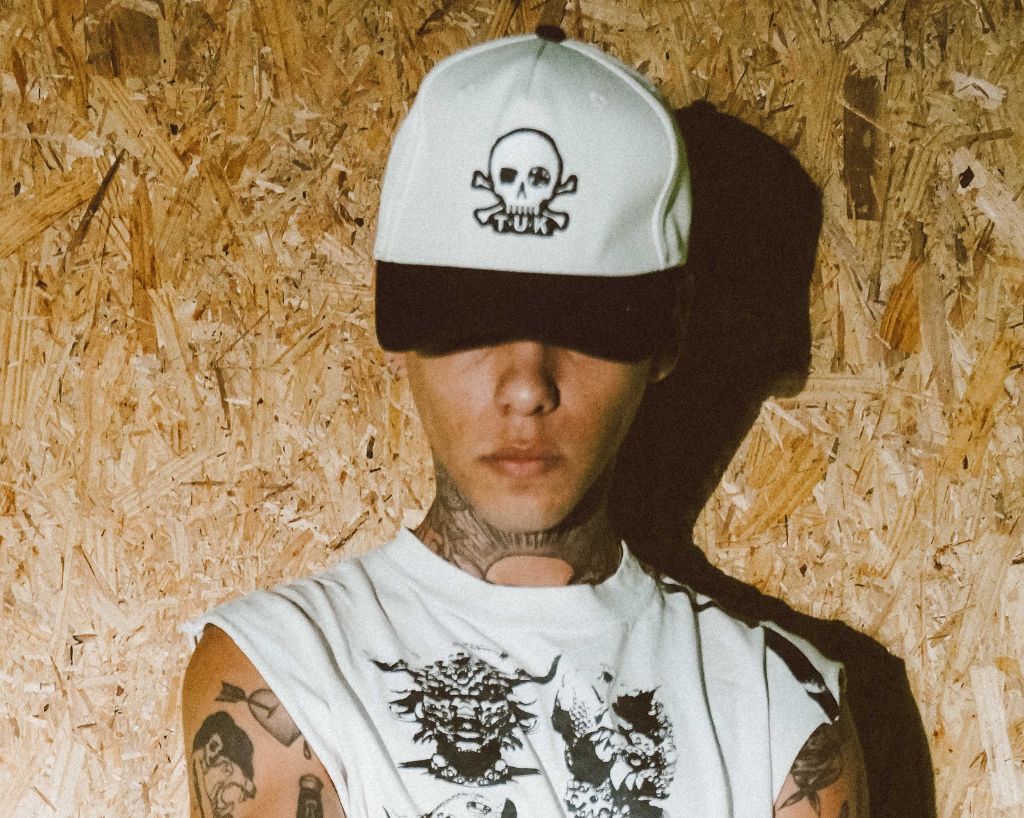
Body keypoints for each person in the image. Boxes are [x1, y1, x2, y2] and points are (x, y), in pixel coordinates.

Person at [181, 25, 867, 818]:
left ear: (667, 334)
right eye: (474, 321)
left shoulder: (780, 709)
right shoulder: (280, 674)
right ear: (395, 326)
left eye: (586, 324)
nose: (526, 388)